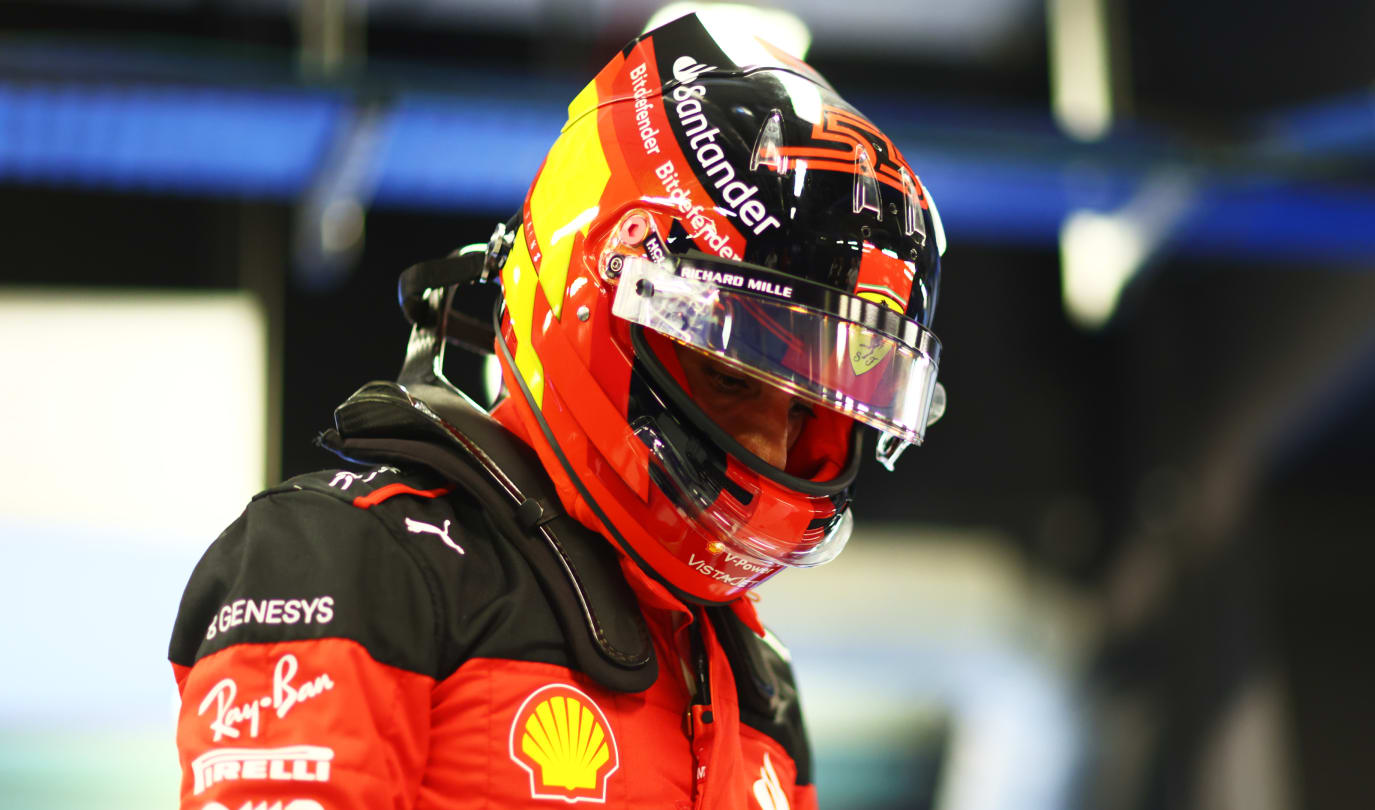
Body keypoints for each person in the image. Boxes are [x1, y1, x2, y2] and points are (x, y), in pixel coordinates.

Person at [168, 12, 946, 810]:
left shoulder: (759, 682)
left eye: (809, 411)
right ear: (596, 304)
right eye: (731, 376)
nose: (768, 442)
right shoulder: (344, 560)